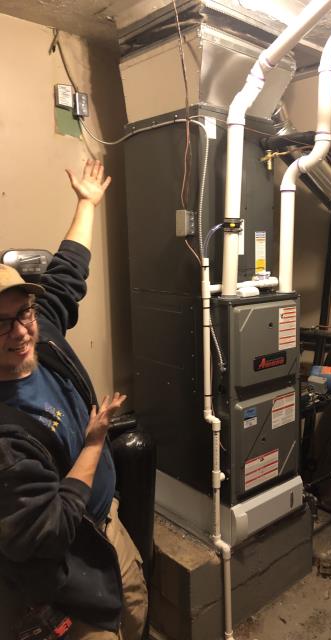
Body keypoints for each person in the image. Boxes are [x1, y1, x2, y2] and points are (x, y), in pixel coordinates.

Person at [0, 159, 148, 640]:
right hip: (67, 574)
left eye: (24, 313)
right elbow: (51, 528)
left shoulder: (43, 336)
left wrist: (86, 203)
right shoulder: (5, 437)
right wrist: (94, 443)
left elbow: (66, 274)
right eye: (0, 324)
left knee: (136, 611)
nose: (20, 332)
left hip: (107, 525)